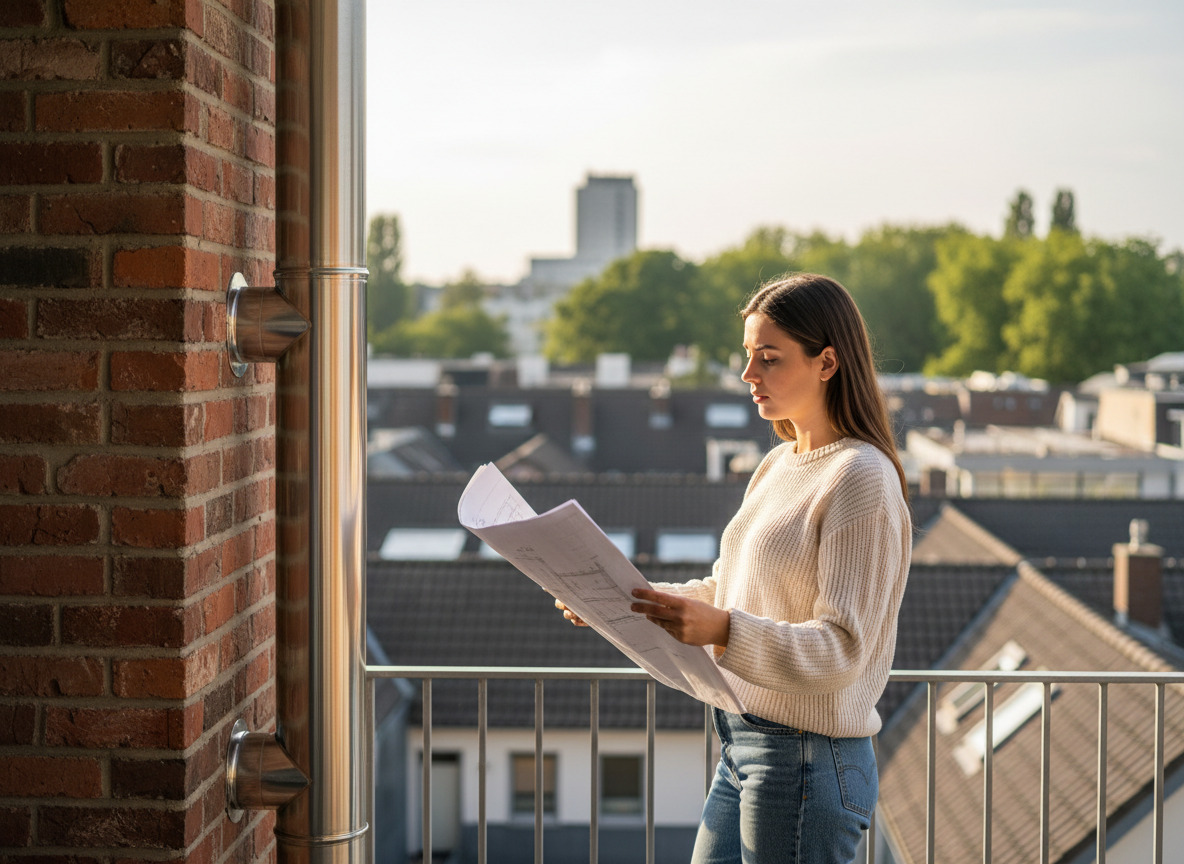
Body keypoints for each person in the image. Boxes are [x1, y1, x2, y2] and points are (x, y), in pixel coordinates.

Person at [557, 273, 912, 864]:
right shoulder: (777, 465)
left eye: (768, 359)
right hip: (744, 744)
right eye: (748, 357)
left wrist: (722, 630)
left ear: (827, 363)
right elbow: (727, 590)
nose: (748, 376)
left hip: (806, 759)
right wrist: (617, 601)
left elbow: (841, 650)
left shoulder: (861, 480)